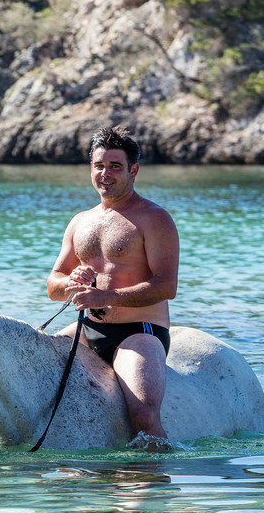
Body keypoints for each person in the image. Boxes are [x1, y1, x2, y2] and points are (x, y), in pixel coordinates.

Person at [46, 125, 179, 448]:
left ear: (134, 170)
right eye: (99, 165)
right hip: (86, 330)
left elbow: (166, 286)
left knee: (143, 415)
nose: (105, 174)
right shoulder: (80, 221)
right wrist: (70, 283)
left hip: (139, 332)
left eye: (115, 166)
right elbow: (53, 284)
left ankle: (151, 475)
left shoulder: (154, 218)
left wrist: (107, 296)